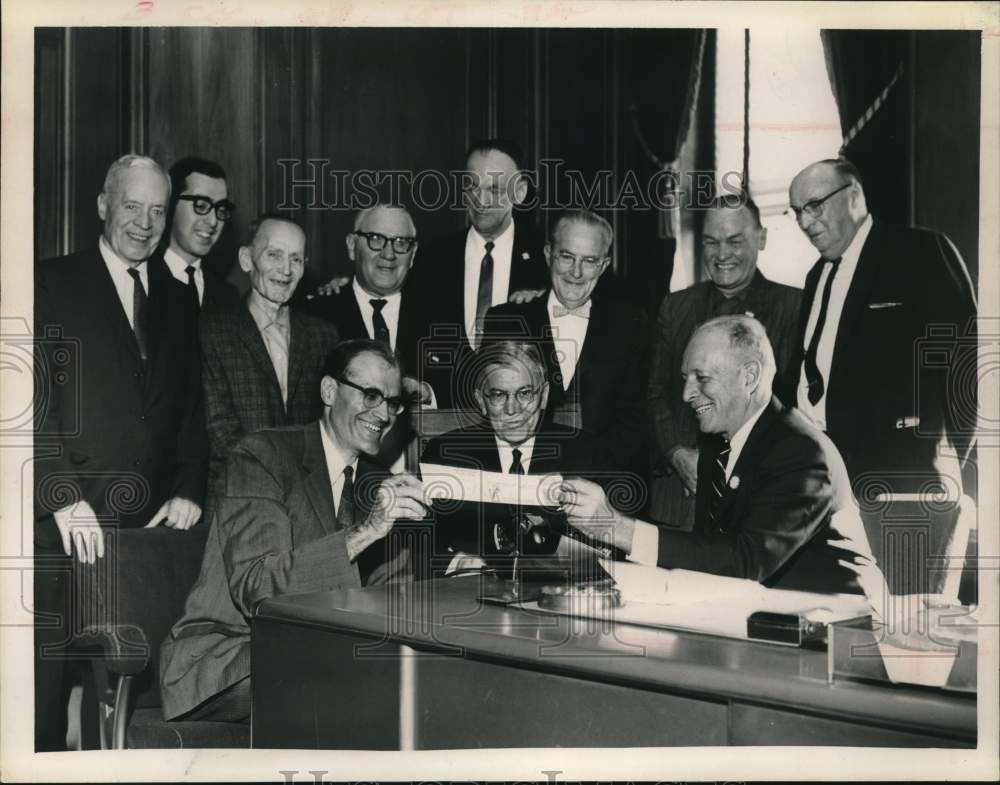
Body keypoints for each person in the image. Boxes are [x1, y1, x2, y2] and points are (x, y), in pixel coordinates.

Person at [33, 154, 207, 749]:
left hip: (146, 530)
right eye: (132, 206)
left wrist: (187, 487)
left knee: (142, 692)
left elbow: (189, 411)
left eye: (158, 210)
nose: (145, 222)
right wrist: (62, 497)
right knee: (45, 696)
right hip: (62, 525)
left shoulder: (181, 300)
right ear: (104, 206)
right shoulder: (49, 283)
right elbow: (28, 405)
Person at [160, 340, 423, 723]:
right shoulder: (263, 455)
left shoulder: (378, 487)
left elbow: (395, 603)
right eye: (370, 395)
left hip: (322, 656)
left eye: (392, 402)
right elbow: (257, 588)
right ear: (329, 391)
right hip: (232, 656)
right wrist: (366, 533)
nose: (382, 413)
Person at [560, 316, 879, 596]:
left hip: (838, 634)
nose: (686, 394)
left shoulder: (802, 452)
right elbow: (709, 551)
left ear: (750, 377)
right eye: (685, 378)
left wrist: (617, 528)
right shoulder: (719, 445)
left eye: (702, 377)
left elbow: (747, 561)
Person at [784, 158, 977, 594]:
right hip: (827, 492)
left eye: (814, 205)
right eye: (797, 212)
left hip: (905, 490)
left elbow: (967, 374)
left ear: (854, 196)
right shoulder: (817, 276)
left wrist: (935, 466)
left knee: (910, 629)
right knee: (844, 629)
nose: (805, 221)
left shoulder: (920, 252)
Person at [647, 195, 801, 531]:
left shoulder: (795, 306)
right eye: (711, 242)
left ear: (761, 238)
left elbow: (792, 403)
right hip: (680, 503)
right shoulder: (676, 308)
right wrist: (676, 453)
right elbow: (655, 392)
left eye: (734, 241)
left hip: (760, 499)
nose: (721, 254)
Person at [483, 210, 648, 490]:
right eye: (567, 256)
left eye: (589, 261)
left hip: (600, 488)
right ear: (549, 254)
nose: (576, 272)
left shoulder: (630, 325)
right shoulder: (506, 320)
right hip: (521, 485)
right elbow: (494, 408)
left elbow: (633, 421)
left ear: (604, 265)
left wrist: (588, 481)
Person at [199, 214, 339, 521]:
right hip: (236, 505)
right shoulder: (211, 333)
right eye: (274, 255)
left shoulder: (323, 337)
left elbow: (330, 427)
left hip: (308, 510)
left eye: (296, 259)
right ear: (247, 259)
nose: (286, 270)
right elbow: (219, 431)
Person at [421, 340, 588, 575]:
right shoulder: (444, 455)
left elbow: (605, 544)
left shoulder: (585, 453)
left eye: (525, 393)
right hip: (469, 593)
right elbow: (422, 546)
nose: (512, 409)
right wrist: (457, 562)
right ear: (481, 401)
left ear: (544, 395)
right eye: (498, 395)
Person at [304, 204, 444, 408]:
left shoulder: (440, 314)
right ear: (352, 246)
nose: (388, 254)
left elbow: (468, 385)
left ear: (412, 254)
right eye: (375, 239)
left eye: (401, 242)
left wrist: (427, 393)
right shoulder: (316, 316)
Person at [155, 156, 240, 311]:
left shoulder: (228, 296)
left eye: (221, 209)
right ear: (170, 205)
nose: (213, 221)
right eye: (201, 206)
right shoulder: (142, 280)